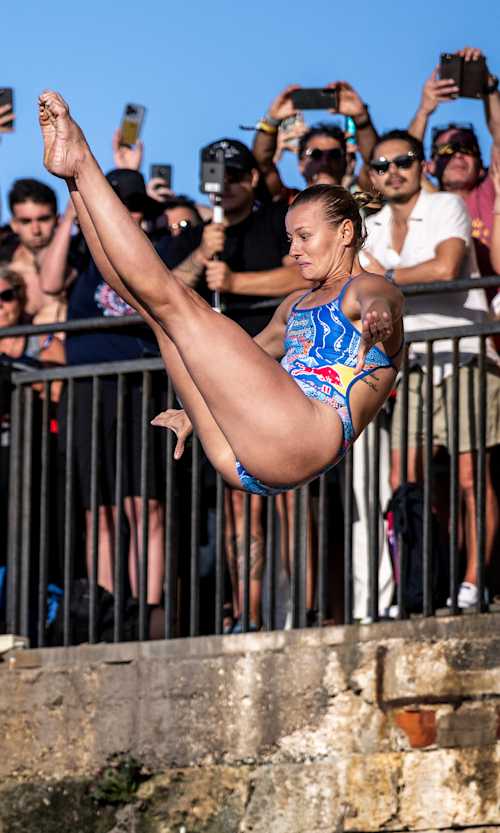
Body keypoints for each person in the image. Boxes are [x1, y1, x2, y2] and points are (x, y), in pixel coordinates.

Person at [37, 90, 404, 516]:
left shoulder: (364, 288)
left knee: (175, 300)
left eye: (304, 237)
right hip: (244, 460)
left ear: (345, 232)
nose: (296, 249)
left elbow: (383, 300)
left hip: (306, 434)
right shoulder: (296, 305)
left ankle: (83, 159)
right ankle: (74, 180)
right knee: (155, 314)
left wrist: (380, 316)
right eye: (291, 239)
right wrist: (195, 410)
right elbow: (250, 358)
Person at [361, 128, 500, 609]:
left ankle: (473, 581)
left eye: (404, 161)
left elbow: (446, 267)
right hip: (412, 363)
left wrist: (386, 277)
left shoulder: (445, 206)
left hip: (465, 353)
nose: (393, 171)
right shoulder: (370, 225)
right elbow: (363, 290)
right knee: (404, 483)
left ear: (422, 165)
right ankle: (418, 583)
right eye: (381, 165)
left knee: (468, 479)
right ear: (373, 176)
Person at [410, 47, 500, 283]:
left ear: (482, 166)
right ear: (428, 166)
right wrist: (423, 112)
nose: (457, 155)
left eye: (467, 148)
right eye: (446, 150)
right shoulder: (425, 201)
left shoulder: (492, 191)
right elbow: (403, 160)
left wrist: (489, 87)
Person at [252, 82, 378, 202]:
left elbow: (374, 163)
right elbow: (262, 166)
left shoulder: (361, 201)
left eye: (334, 155)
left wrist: (362, 119)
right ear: (301, 164)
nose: (325, 161)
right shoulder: (288, 204)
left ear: (346, 162)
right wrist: (271, 121)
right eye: (315, 154)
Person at [0, 179, 68, 322]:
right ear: (14, 224)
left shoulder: (80, 264)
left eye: (43, 219)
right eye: (26, 221)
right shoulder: (5, 273)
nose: (36, 230)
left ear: (57, 219)